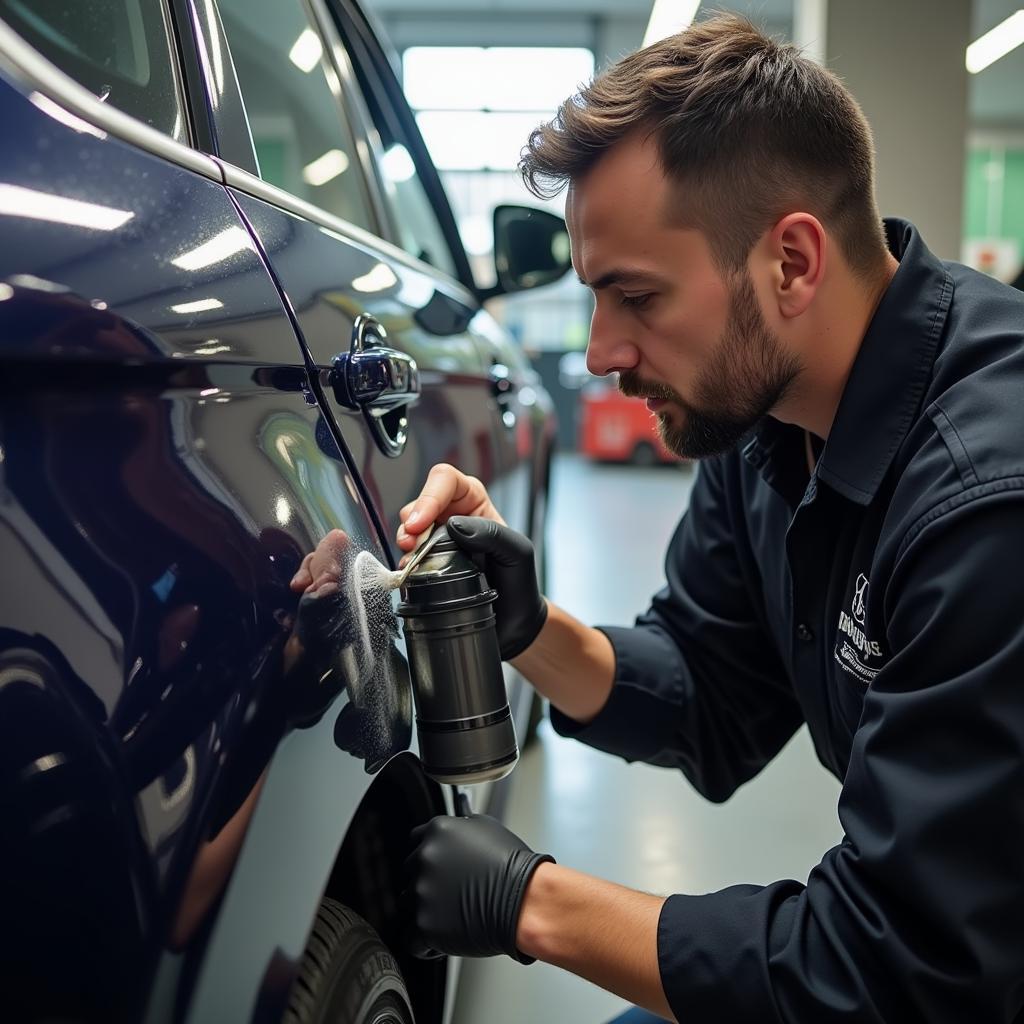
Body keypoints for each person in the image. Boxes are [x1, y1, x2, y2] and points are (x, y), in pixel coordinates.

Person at [401, 13, 1024, 1023]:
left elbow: (904, 971)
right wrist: (526, 627)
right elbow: (711, 696)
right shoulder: (770, 421)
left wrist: (532, 902)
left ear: (790, 262)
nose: (601, 352)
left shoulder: (986, 506)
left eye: (634, 297)